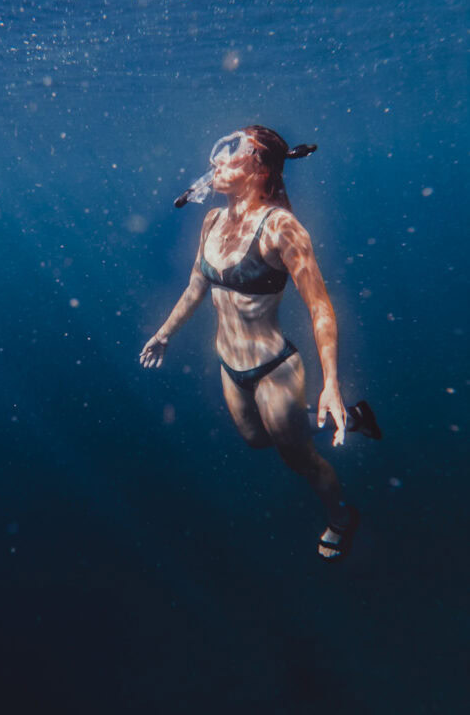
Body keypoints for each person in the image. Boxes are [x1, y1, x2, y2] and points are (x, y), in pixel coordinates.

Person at [140, 126, 380, 561]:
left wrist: (331, 383)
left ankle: (342, 519)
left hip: (273, 368)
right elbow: (197, 286)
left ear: (259, 168)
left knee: (300, 460)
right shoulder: (212, 220)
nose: (216, 161)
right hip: (230, 366)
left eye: (231, 153)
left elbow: (320, 307)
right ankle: (352, 419)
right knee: (256, 439)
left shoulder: (282, 228)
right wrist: (164, 333)